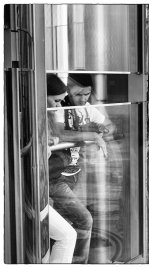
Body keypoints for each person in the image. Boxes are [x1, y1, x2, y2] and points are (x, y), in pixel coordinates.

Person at [47, 73, 93, 264]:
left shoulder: (49, 112)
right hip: (52, 179)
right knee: (83, 220)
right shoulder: (46, 113)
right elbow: (59, 133)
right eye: (56, 101)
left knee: (68, 228)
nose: (59, 105)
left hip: (61, 175)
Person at [46, 74, 77, 263]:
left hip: (43, 186)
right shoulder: (29, 118)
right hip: (35, 188)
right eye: (56, 101)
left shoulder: (46, 116)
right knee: (67, 235)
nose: (59, 106)